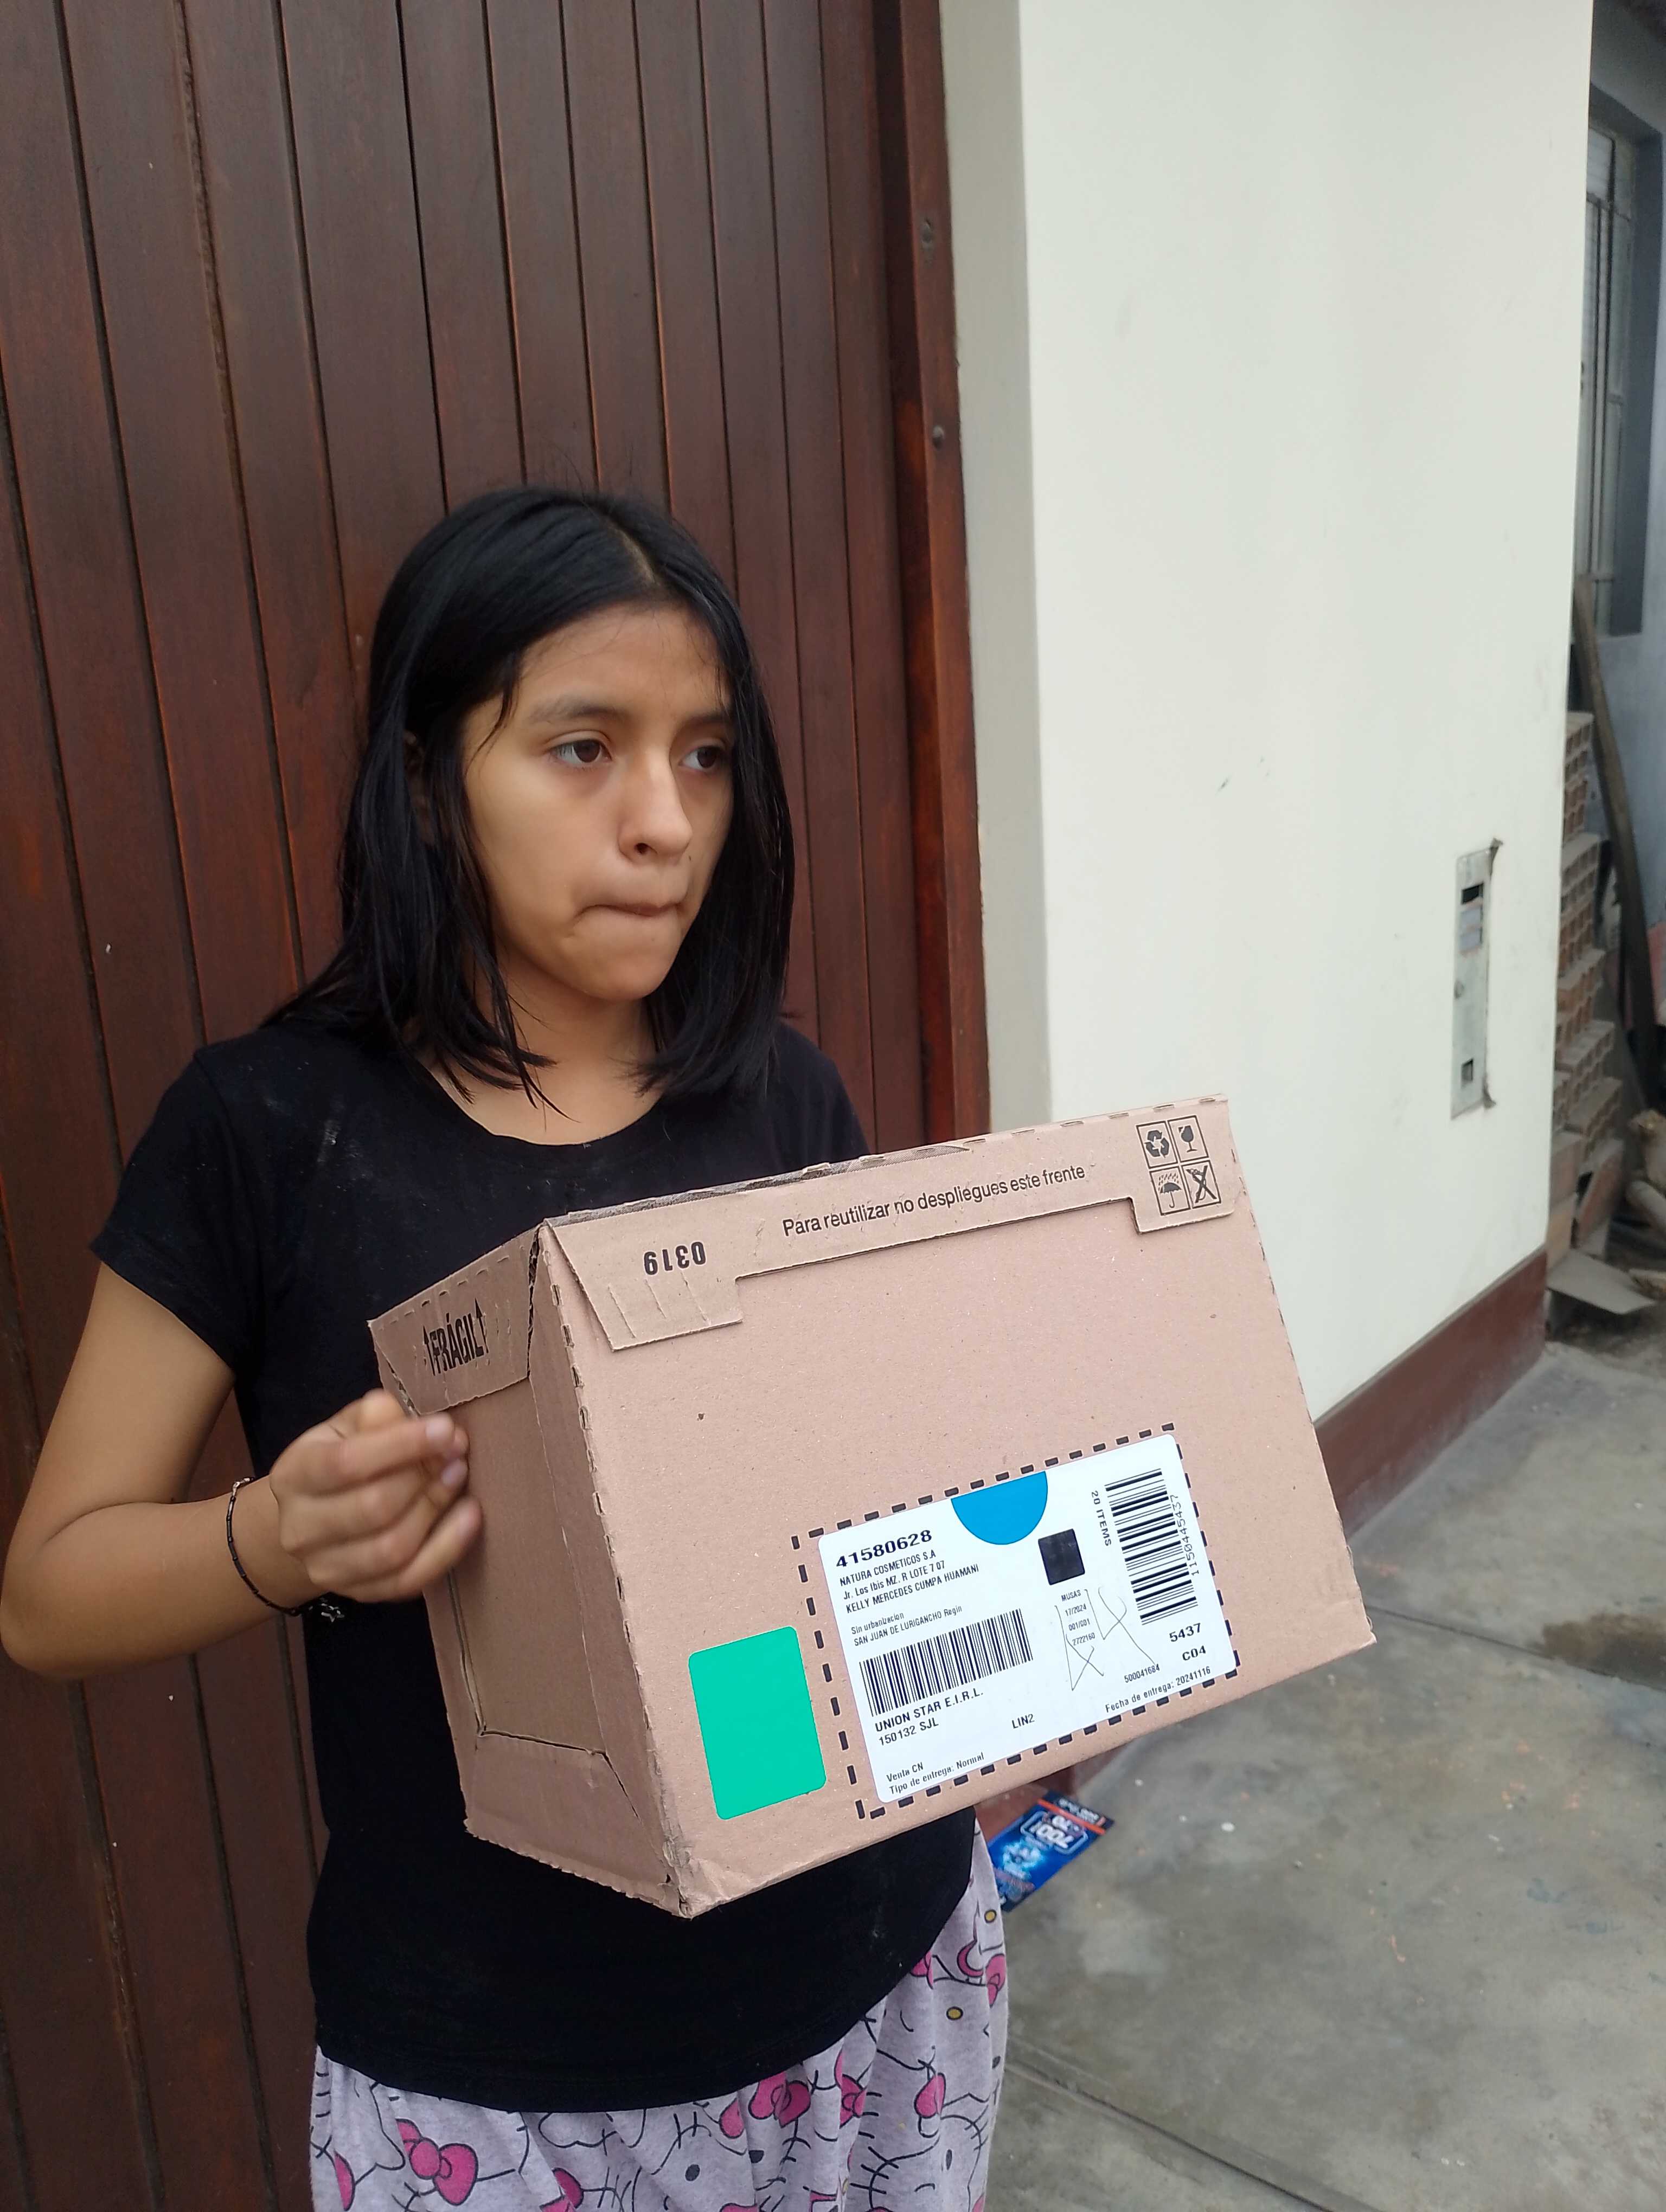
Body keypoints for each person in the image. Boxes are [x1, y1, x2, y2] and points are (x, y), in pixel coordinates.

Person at [0, 488, 1007, 2211]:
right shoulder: (266, 1135)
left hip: (880, 1965)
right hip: (511, 2081)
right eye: (581, 748)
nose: (663, 823)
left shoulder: (781, 1091)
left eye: (705, 756)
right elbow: (49, 1593)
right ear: (424, 780)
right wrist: (276, 1538)